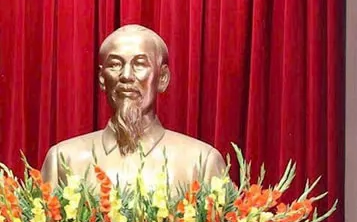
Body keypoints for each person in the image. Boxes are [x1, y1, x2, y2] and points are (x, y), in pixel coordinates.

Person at [42, 24, 225, 191]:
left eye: (140, 64)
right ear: (102, 78)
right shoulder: (64, 160)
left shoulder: (201, 162)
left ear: (162, 78)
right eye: (115, 65)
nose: (126, 75)